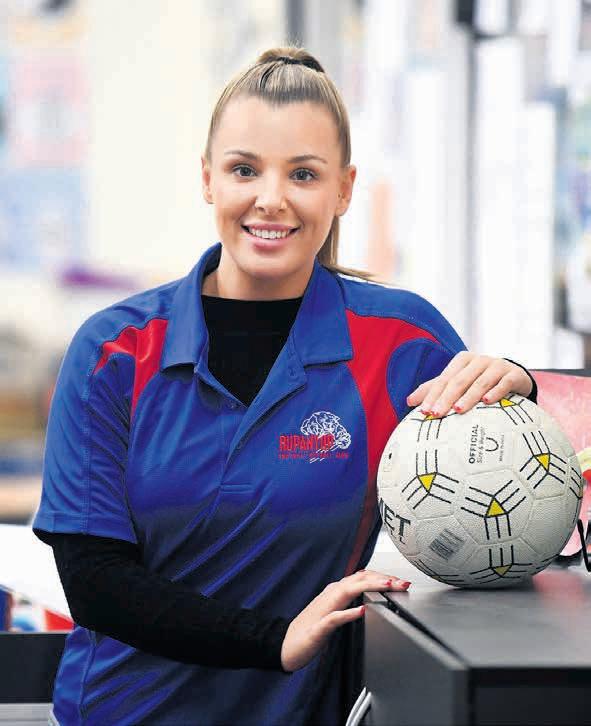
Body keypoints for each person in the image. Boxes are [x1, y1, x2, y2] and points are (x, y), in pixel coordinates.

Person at [32, 46, 537, 726]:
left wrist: (521, 387)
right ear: (208, 179)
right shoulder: (113, 350)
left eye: (303, 173)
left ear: (344, 189)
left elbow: (535, 470)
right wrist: (273, 641)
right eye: (244, 169)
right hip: (123, 715)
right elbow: (95, 582)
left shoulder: (400, 343)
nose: (270, 199)